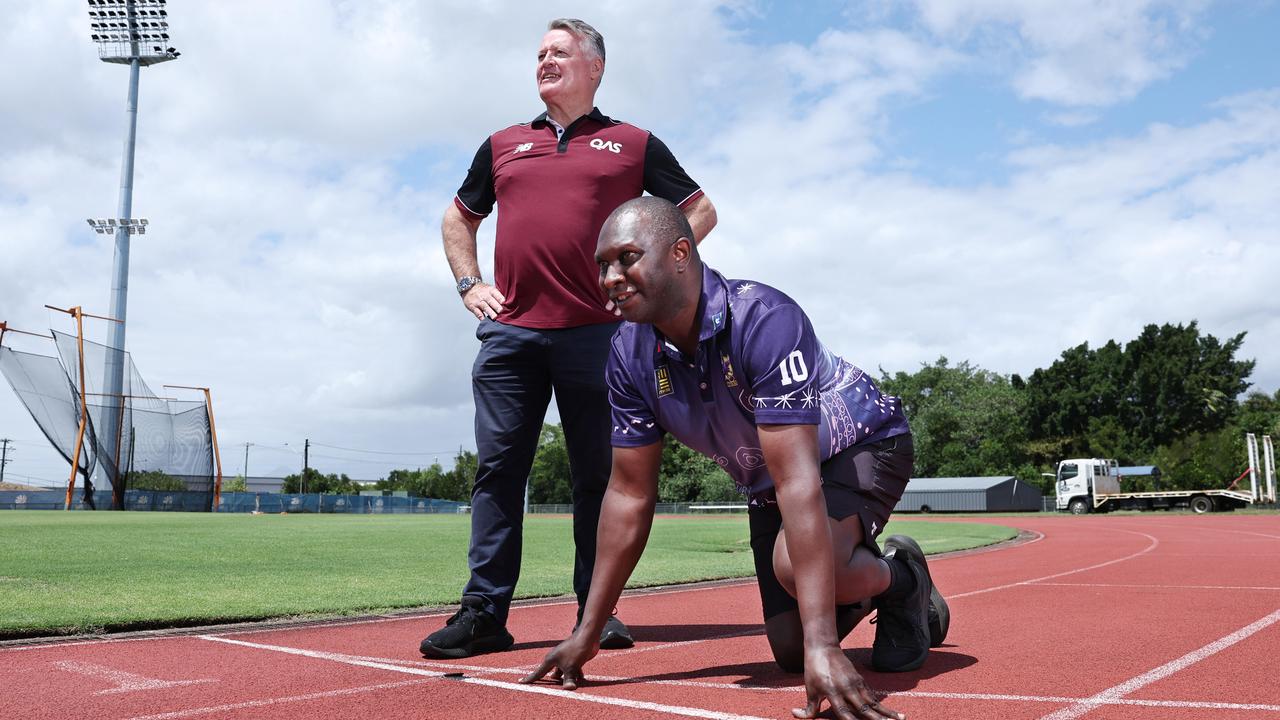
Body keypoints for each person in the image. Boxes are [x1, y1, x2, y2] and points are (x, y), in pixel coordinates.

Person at [521, 197, 949, 720]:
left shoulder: (764, 318)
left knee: (798, 576)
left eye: (627, 257)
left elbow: (798, 481)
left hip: (860, 441)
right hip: (773, 475)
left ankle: (902, 578)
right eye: (603, 264)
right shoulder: (627, 355)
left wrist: (827, 645)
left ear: (681, 252)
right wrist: (587, 631)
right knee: (791, 652)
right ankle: (874, 584)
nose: (611, 276)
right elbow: (629, 493)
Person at [422, 20, 717, 659]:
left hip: (603, 338)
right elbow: (458, 215)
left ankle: (596, 611)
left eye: (558, 52)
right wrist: (470, 283)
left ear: (595, 67)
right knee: (498, 471)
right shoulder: (503, 143)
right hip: (512, 336)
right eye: (539, 54)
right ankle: (484, 612)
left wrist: (646, 278)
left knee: (600, 478)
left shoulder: (633, 144)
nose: (544, 61)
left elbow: (698, 210)